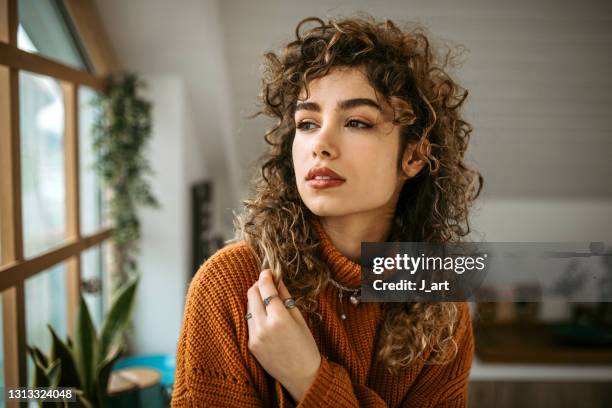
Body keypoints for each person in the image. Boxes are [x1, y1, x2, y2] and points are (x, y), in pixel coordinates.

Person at [172, 15, 483, 407]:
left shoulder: (440, 304)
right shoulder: (231, 285)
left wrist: (308, 377)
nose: (321, 143)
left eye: (356, 121)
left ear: (415, 155)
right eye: (307, 122)